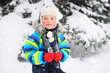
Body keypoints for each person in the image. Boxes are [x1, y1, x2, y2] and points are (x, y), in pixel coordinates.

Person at [23, 6, 71, 73]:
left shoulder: (59, 37)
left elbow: (66, 49)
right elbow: (28, 52)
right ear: (40, 20)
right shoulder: (36, 36)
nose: (49, 21)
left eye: (52, 18)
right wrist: (42, 56)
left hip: (55, 68)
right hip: (40, 69)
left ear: (56, 20)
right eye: (45, 18)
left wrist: (61, 55)